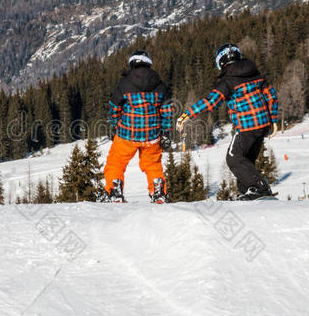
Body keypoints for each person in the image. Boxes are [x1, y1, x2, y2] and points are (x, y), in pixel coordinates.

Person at [177, 43, 278, 200]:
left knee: (233, 158)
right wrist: (274, 119)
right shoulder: (255, 74)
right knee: (246, 160)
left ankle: (261, 188)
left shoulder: (228, 81)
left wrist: (188, 114)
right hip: (263, 125)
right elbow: (270, 95)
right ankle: (247, 191)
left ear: (221, 62)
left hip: (246, 127)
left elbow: (211, 101)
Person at [104, 50, 172, 203]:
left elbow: (114, 107)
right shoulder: (160, 85)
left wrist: (115, 125)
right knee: (153, 164)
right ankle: (158, 192)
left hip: (127, 134)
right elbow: (167, 111)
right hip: (152, 136)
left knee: (116, 162)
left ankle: (115, 190)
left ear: (132, 64)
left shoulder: (125, 83)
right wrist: (166, 132)